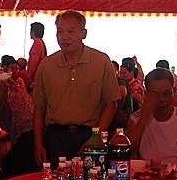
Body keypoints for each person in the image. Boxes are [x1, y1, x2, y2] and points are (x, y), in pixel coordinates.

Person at [33, 10, 120, 165]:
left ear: (83, 33)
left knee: (91, 178)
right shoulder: (46, 65)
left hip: (89, 134)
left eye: (71, 31)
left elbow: (111, 104)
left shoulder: (101, 61)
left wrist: (96, 137)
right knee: (55, 178)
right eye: (60, 31)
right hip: (55, 136)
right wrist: (38, 144)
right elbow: (39, 107)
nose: (64, 37)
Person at [126, 68, 177, 169]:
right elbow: (128, 152)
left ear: (174, 92)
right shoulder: (136, 120)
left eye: (166, 93)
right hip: (146, 174)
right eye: (155, 94)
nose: (161, 99)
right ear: (146, 94)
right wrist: (144, 117)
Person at [0, 56, 38, 180]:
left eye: (16, 68)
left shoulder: (18, 82)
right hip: (17, 129)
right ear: (4, 68)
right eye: (12, 69)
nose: (14, 71)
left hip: (26, 127)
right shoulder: (1, 83)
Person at [110, 60, 134, 131]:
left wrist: (116, 111)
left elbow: (122, 92)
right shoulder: (118, 82)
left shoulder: (121, 81)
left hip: (121, 122)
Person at [26, 22, 46, 89]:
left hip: (34, 78)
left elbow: (34, 61)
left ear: (33, 32)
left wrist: (28, 76)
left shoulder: (37, 43)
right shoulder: (41, 42)